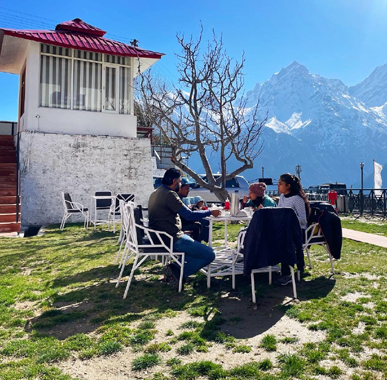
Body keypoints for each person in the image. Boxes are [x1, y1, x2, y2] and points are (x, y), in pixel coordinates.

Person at [148, 168, 221, 289]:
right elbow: (189, 215)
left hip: (160, 235)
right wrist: (210, 212)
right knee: (209, 254)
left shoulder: (156, 192)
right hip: (171, 238)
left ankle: (174, 270)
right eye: (180, 182)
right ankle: (177, 273)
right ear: (174, 181)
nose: (181, 184)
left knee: (197, 248)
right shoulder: (169, 194)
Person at [275, 173, 311, 285]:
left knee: (285, 241)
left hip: (298, 230)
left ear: (288, 185)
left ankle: (286, 273)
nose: (278, 186)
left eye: (280, 184)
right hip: (285, 228)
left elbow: (303, 219)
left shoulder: (297, 199)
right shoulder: (282, 197)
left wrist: (290, 220)